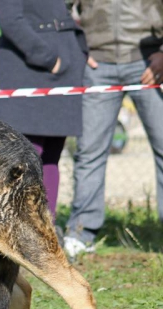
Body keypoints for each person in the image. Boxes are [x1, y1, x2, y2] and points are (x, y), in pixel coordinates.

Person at [64, 0, 163, 258]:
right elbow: (57, 8)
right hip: (98, 65)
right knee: (89, 151)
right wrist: (78, 48)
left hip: (149, 63)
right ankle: (81, 232)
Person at [0, 0, 88, 226]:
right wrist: (47, 57)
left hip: (63, 67)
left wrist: (79, 49)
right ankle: (14, 240)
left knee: (51, 157)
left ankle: (45, 236)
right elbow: (10, 19)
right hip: (28, 67)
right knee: (21, 160)